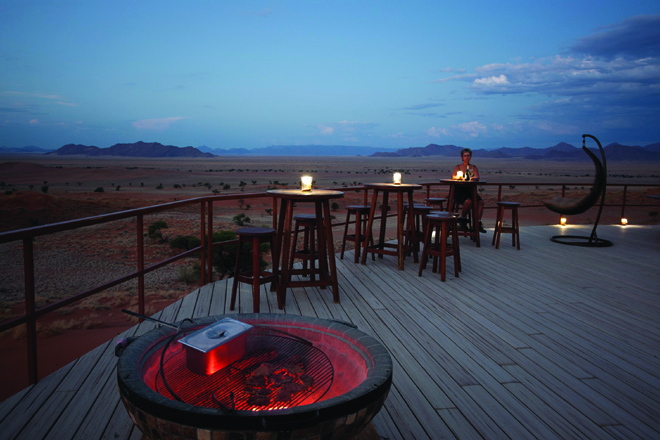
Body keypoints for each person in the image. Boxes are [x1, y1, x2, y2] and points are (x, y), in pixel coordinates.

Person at [451, 148, 486, 233]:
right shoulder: (458, 167)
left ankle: (477, 223)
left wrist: (472, 178)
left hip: (470, 190)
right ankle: (462, 219)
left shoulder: (473, 167)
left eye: (468, 156)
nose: (466, 157)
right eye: (465, 156)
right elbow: (453, 177)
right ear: (462, 157)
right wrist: (461, 178)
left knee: (481, 202)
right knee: (468, 202)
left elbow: (477, 177)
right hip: (459, 190)